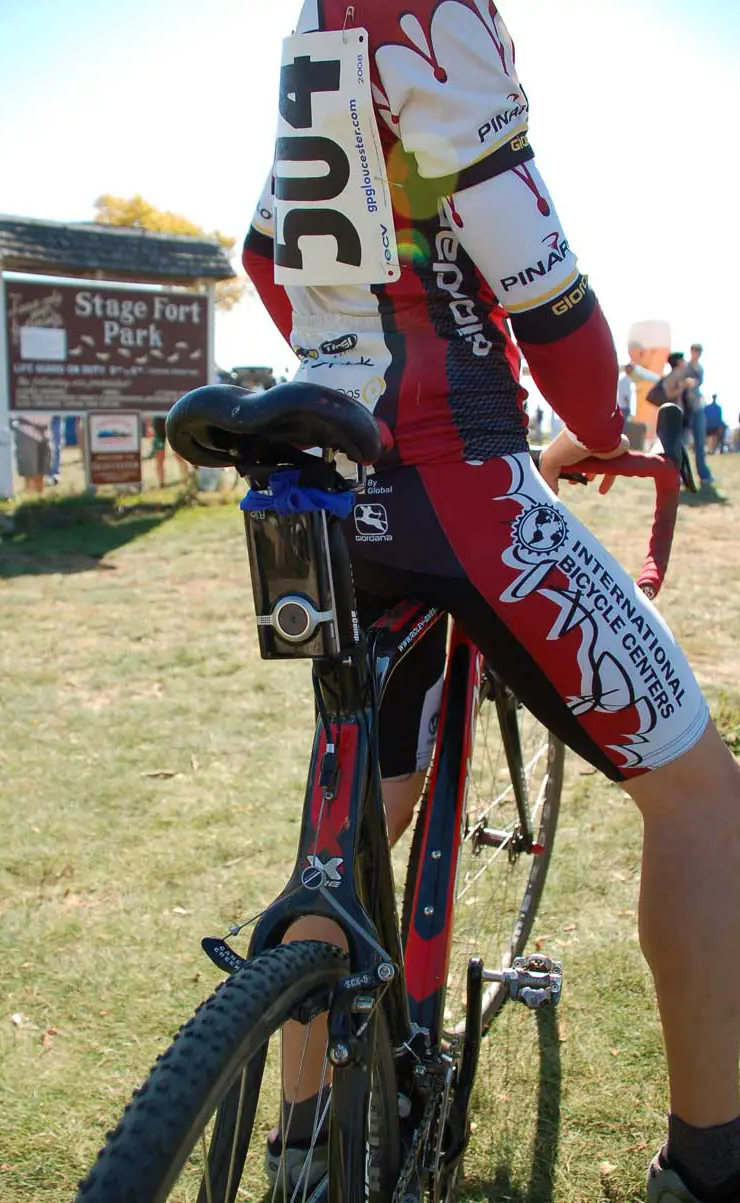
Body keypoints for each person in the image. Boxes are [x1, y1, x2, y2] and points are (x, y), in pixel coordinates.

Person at [243, 4, 740, 1201]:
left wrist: (360, 359)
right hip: (458, 486)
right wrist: (585, 419)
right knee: (701, 802)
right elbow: (539, 277)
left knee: (362, 821)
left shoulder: (315, 25)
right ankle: (711, 1162)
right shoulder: (432, 12)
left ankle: (301, 1147)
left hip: (338, 483)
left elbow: (268, 252)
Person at [683, 344, 712, 489]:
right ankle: (681, 475)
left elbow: (698, 382)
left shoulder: (700, 368)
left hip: (698, 407)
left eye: (699, 352)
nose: (696, 354)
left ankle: (704, 475)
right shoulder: (684, 366)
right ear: (691, 351)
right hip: (685, 409)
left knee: (700, 443)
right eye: (695, 351)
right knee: (681, 443)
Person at [12, 413, 51, 494]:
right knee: (29, 471)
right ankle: (29, 498)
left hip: (45, 431)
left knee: (42, 471)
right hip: (26, 429)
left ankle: (39, 498)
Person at [618, 363, 634, 429]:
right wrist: (628, 406)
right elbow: (625, 395)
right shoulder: (624, 379)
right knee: (624, 427)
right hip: (623, 406)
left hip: (623, 406)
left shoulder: (627, 378)